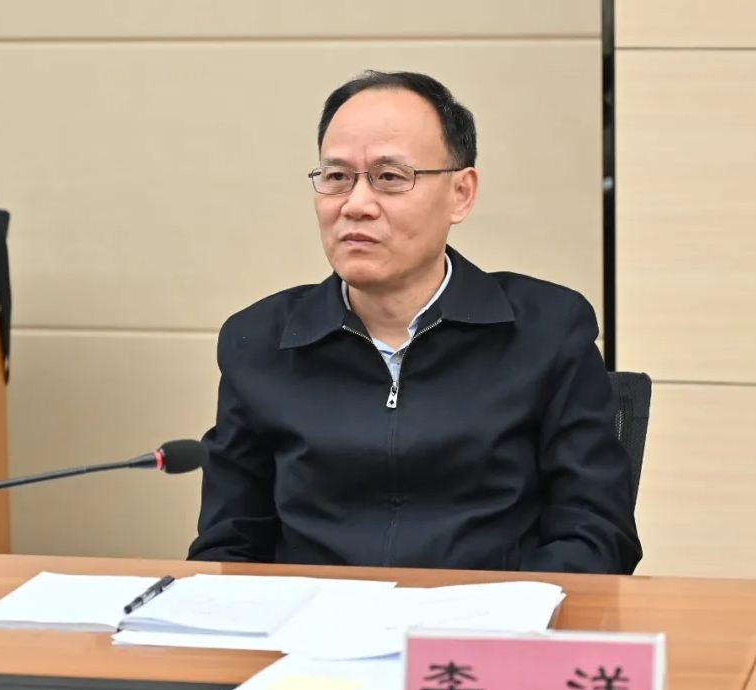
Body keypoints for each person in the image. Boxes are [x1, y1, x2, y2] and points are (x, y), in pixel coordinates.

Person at [188, 70, 641, 574]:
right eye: (336, 178)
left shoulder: (547, 330)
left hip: (488, 617)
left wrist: (501, 612)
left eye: (389, 177)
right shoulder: (259, 341)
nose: (356, 205)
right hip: (317, 618)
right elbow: (228, 547)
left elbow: (597, 536)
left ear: (461, 193)